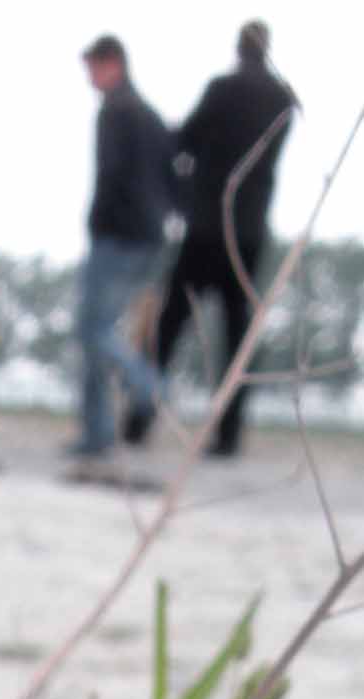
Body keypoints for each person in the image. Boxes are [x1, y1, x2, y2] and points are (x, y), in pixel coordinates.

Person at [146, 20, 298, 457]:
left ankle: (141, 417)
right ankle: (228, 436)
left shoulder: (222, 89)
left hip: (207, 227)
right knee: (238, 337)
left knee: (170, 325)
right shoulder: (282, 99)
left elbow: (184, 140)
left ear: (239, 49)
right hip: (250, 233)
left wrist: (183, 183)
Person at [71, 34, 173, 460]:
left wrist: (98, 221)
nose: (90, 79)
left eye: (93, 68)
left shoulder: (116, 112)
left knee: (93, 330)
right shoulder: (150, 116)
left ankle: (150, 387)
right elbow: (174, 176)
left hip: (118, 237)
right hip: (150, 238)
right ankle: (97, 435)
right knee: (96, 331)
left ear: (111, 63)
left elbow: (111, 175)